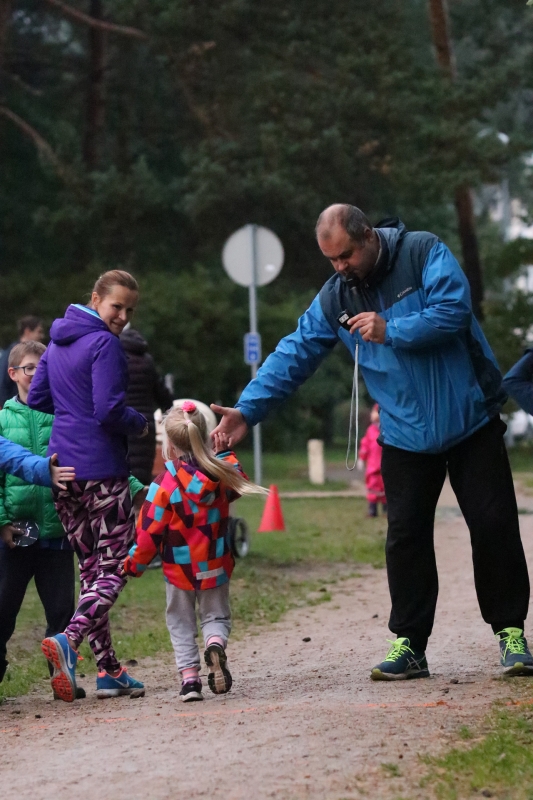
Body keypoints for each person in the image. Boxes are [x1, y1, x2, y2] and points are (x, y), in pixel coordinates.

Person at [211, 204, 532, 681]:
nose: (339, 268)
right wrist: (248, 409)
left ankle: (511, 633)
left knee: (493, 526)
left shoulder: (423, 252)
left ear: (367, 237)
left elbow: (453, 311)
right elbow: (293, 353)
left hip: (470, 421)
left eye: (345, 256)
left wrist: (390, 329)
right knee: (404, 538)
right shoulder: (335, 298)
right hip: (403, 434)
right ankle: (410, 644)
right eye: (331, 261)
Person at [28, 270, 148, 702]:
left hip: (65, 474)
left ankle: (109, 671)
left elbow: (38, 398)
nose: (122, 317)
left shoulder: (58, 342)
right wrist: (140, 423)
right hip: (102, 472)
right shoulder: (104, 345)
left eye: (129, 310)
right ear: (96, 298)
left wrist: (70, 406)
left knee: (92, 574)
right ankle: (69, 639)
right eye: (117, 306)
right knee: (113, 569)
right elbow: (109, 411)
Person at [122, 401, 266, 702]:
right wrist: (225, 453)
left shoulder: (163, 485)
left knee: (180, 622)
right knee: (216, 616)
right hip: (215, 563)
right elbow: (240, 481)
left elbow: (148, 532)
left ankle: (190, 681)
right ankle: (215, 644)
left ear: (170, 445)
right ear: (204, 434)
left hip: (178, 570)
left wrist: (133, 564)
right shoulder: (223, 472)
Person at [0, 340, 83, 694]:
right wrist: (3, 521)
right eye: (30, 367)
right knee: (4, 609)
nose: (37, 374)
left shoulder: (63, 415)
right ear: (13, 373)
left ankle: (61, 676)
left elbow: (86, 458)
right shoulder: (3, 419)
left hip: (56, 528)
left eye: (43, 367)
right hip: (19, 530)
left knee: (62, 609)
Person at [120, 327, 173, 485]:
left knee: (123, 474)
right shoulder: (148, 361)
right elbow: (163, 395)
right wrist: (168, 411)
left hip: (122, 422)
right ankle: (141, 509)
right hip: (145, 426)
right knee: (142, 477)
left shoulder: (116, 358)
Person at [0, 316, 45, 408]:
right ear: (28, 331)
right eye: (39, 331)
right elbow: (2, 383)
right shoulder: (10, 353)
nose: (42, 336)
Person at [358, 404, 386, 517]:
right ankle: (372, 510)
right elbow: (365, 445)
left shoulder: (387, 429)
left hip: (385, 464)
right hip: (373, 466)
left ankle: (386, 510)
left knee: (386, 487)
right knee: (373, 487)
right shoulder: (370, 431)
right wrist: (361, 457)